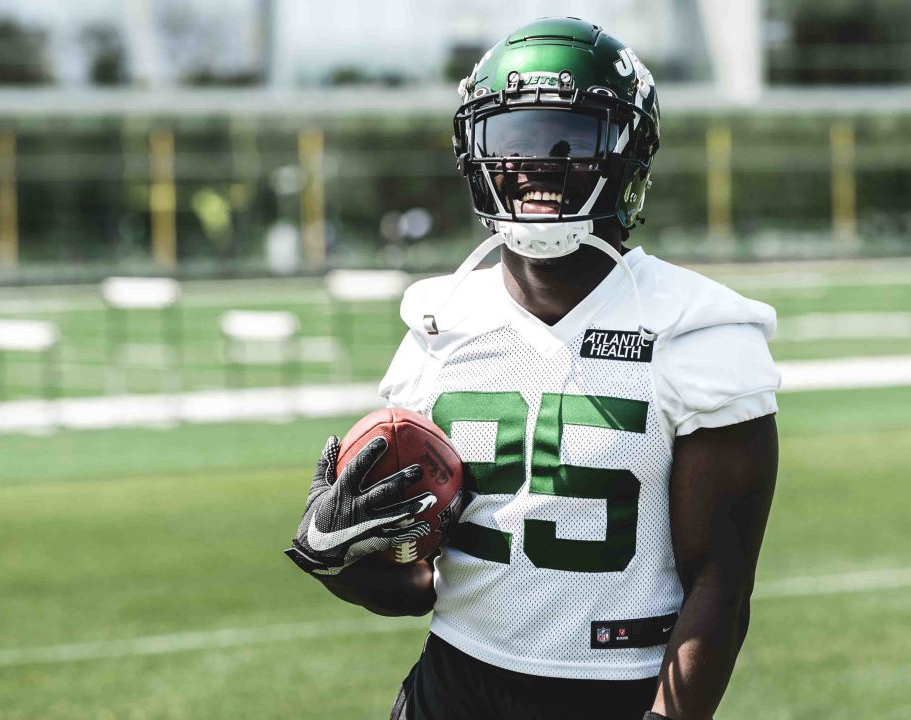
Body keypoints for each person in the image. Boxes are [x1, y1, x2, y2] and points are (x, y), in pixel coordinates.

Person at [286, 17, 780, 720]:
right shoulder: (438, 322)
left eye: (570, 139)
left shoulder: (698, 331)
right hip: (451, 686)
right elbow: (417, 588)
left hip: (619, 692)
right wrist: (337, 560)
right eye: (512, 138)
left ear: (627, 152)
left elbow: (721, 584)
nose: (535, 163)